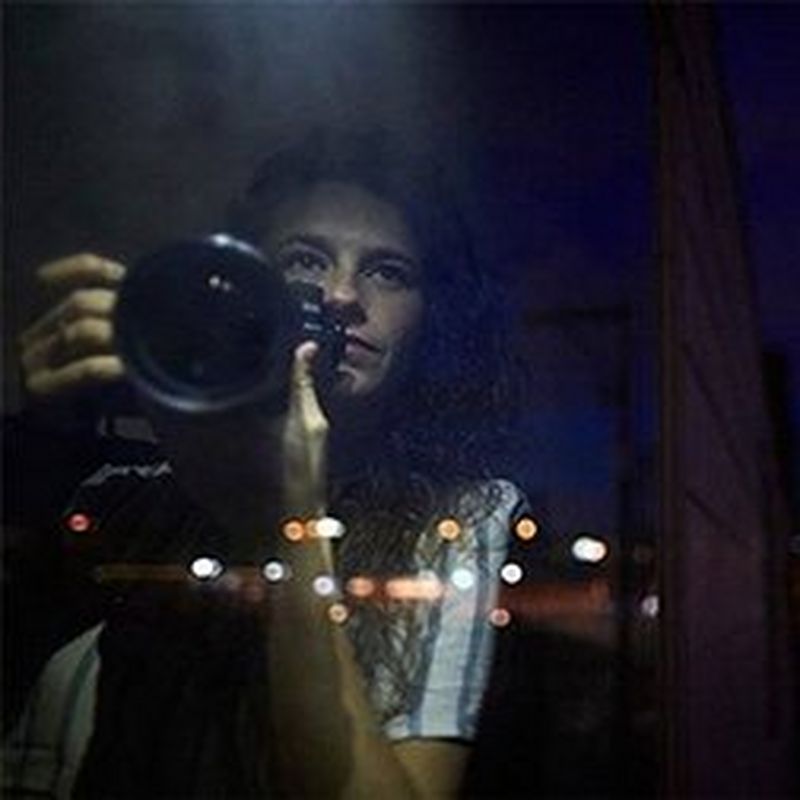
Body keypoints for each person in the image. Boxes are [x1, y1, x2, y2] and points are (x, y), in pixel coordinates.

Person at [5, 130, 527, 798]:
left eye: (387, 272)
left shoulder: (457, 521)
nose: (340, 295)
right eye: (306, 261)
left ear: (432, 320)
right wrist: (46, 437)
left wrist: (285, 519)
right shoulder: (130, 500)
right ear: (246, 288)